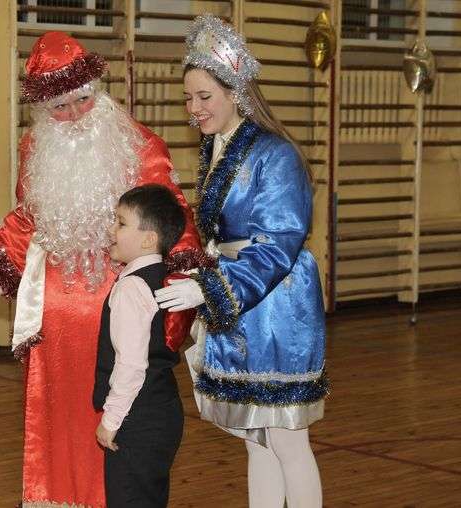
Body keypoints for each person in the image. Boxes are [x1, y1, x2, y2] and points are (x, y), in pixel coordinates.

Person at [0, 32, 202, 507]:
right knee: (59, 439)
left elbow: (176, 231)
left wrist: (172, 319)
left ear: (97, 89)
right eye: (59, 107)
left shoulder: (141, 147)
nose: (74, 115)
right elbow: (23, 227)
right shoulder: (36, 150)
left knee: (119, 443)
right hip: (54, 335)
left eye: (81, 100)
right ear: (41, 110)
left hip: (121, 328)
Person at [154, 14, 329, 508]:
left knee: (288, 439)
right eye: (188, 98)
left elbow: (277, 245)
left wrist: (208, 289)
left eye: (204, 97)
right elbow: (221, 235)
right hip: (244, 301)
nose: (194, 108)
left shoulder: (275, 154)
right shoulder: (218, 148)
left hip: (277, 305)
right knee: (258, 437)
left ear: (236, 92)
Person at [93, 184, 186, 508]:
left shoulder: (131, 288)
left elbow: (131, 364)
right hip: (162, 410)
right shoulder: (162, 277)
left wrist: (111, 419)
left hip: (139, 418)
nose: (111, 229)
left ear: (148, 239)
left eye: (120, 223)